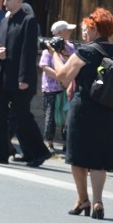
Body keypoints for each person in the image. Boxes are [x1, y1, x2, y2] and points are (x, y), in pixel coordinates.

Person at [50, 8, 113, 220]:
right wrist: (68, 54)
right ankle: (98, 201)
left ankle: (82, 199)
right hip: (109, 110)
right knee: (99, 158)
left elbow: (63, 76)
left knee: (79, 155)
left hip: (85, 108)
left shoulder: (87, 51)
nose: (83, 33)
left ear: (95, 29)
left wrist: (55, 53)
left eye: (85, 29)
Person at [0, 0, 51, 167]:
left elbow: (28, 52)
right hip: (3, 76)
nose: (4, 2)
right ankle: (0, 152)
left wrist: (24, 78)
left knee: (23, 117)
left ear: (19, 1)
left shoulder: (28, 21)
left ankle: (40, 152)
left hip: (20, 78)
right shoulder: (5, 21)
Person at [39, 20, 76, 154]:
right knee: (51, 116)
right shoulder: (50, 47)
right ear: (60, 33)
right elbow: (44, 66)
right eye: (67, 30)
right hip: (52, 87)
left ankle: (66, 144)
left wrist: (69, 80)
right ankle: (49, 144)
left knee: (67, 116)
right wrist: (61, 78)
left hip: (67, 88)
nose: (70, 32)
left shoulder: (71, 47)